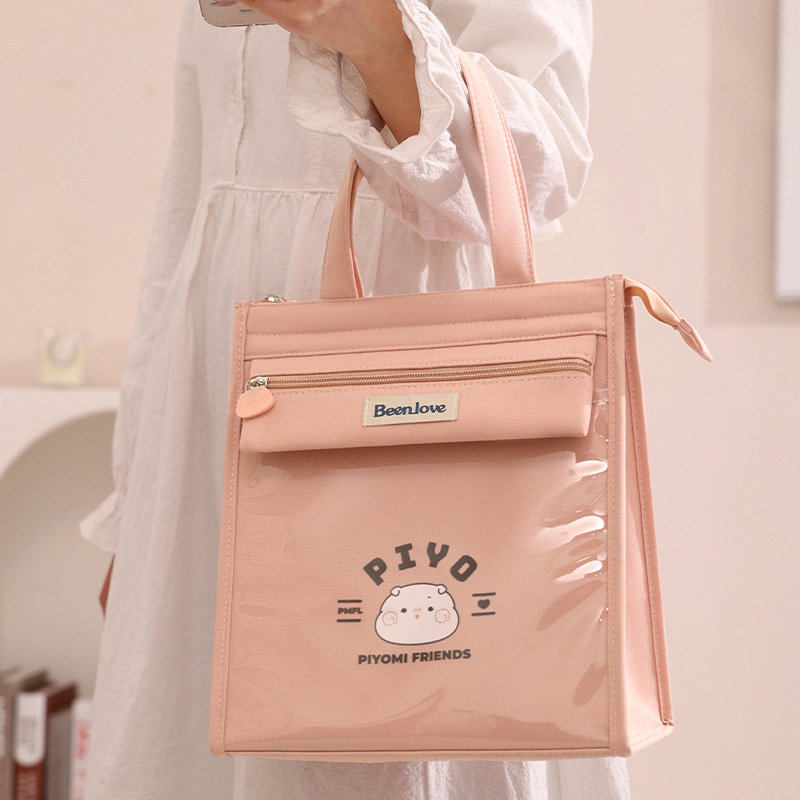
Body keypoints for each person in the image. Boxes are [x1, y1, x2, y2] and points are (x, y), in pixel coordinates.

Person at [81, 0, 630, 797]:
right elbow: (190, 207)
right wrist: (139, 500)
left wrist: (373, 35)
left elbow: (532, 178)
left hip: (413, 375)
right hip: (213, 400)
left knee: (402, 728)